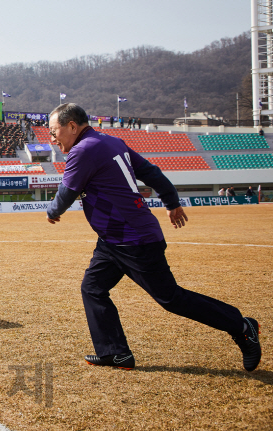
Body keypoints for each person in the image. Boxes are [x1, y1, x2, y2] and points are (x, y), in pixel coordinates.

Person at [45, 103, 261, 372]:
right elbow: (151, 172)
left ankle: (242, 326)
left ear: (72, 127)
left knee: (171, 298)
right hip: (114, 239)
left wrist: (52, 211)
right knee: (93, 288)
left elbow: (66, 193)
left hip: (133, 238)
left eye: (54, 132)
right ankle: (115, 353)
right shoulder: (111, 141)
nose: (52, 138)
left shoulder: (82, 150)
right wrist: (171, 201)